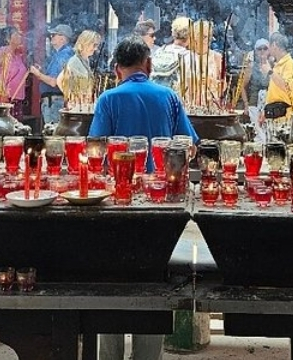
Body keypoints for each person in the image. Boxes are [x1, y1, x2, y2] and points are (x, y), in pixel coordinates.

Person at [89, 37, 199, 360]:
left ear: (115, 70)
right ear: (148, 65)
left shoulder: (108, 99)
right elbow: (188, 146)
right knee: (154, 281)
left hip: (118, 202)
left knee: (112, 281)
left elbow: (95, 150)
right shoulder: (168, 96)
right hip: (161, 203)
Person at [29, 24, 74, 124]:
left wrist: (38, 74)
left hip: (54, 102)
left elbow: (54, 82)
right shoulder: (61, 54)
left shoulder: (63, 55)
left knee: (52, 134)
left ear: (62, 38)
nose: (51, 37)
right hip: (55, 100)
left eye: (54, 35)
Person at [57, 30, 103, 109]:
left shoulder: (85, 60)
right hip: (77, 106)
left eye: (97, 45)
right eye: (94, 45)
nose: (96, 48)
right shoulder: (74, 61)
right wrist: (72, 98)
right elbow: (59, 80)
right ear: (85, 43)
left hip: (83, 105)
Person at [0, 26, 29, 119]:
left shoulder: (18, 55)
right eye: (16, 34)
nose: (19, 37)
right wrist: (1, 93)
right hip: (5, 97)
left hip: (18, 97)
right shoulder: (1, 52)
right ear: (8, 38)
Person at [232, 39, 272, 111]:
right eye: (259, 49)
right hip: (254, 105)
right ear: (256, 51)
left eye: (265, 48)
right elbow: (242, 86)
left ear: (269, 51)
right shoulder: (251, 66)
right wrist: (246, 104)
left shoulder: (273, 66)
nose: (262, 51)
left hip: (269, 105)